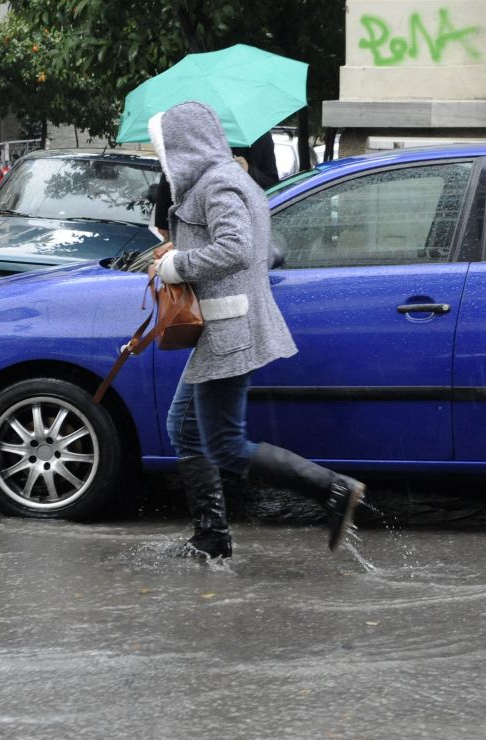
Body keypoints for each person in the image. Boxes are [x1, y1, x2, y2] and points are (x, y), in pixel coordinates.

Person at [147, 101, 364, 559]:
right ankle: (211, 538)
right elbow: (257, 249)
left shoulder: (220, 183)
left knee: (225, 444)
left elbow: (238, 248)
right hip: (226, 324)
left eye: (162, 146)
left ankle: (334, 489)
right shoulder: (225, 181)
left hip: (232, 327)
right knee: (184, 427)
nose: (160, 156)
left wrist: (177, 265)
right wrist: (180, 245)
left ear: (184, 144)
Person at [153, 130, 279, 240]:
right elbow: (171, 176)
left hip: (244, 224)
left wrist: (249, 170)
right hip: (195, 222)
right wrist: (162, 221)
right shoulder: (195, 134)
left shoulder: (260, 137)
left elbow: (273, 185)